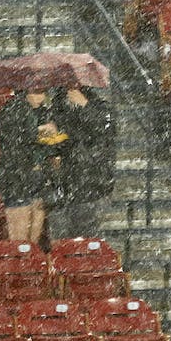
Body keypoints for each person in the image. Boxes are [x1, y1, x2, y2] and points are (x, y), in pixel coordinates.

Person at [47, 86, 116, 239]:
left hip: (93, 181)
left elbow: (105, 130)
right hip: (67, 181)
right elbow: (61, 142)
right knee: (66, 235)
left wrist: (85, 104)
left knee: (86, 232)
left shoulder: (99, 106)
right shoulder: (58, 108)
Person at [0, 88, 61, 243]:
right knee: (19, 240)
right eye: (37, 91)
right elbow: (14, 141)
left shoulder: (43, 113)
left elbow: (50, 144)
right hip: (17, 178)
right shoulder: (12, 109)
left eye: (43, 91)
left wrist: (53, 142)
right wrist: (42, 131)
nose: (42, 96)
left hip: (39, 178)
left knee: (34, 239)